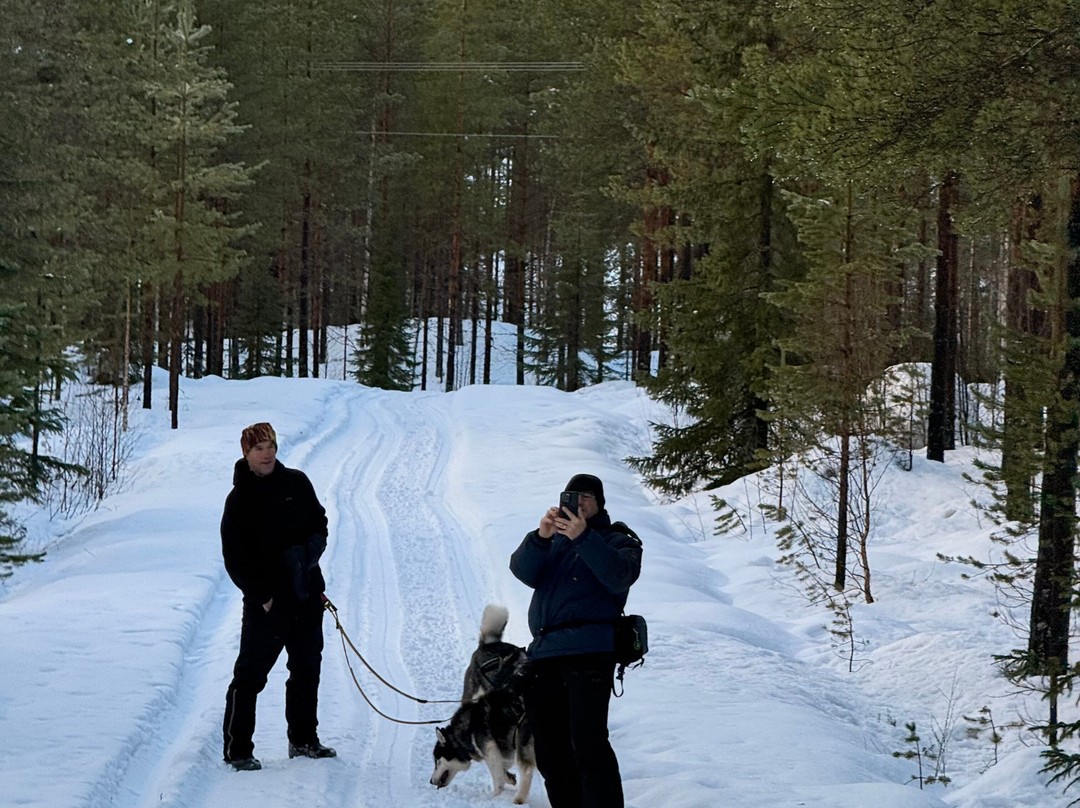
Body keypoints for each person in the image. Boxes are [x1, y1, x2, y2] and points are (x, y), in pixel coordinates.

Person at [509, 473, 642, 808]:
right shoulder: (554, 540)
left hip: (590, 653)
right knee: (550, 750)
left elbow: (619, 576)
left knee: (588, 744)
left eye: (585, 496)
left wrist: (583, 538)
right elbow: (523, 571)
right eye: (571, 495)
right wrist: (541, 536)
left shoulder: (616, 540)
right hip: (546, 654)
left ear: (599, 503)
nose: (577, 502)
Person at [220, 422, 336, 771]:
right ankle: (237, 750)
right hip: (267, 604)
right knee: (250, 677)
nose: (267, 453)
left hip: (306, 594)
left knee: (306, 669)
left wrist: (309, 555)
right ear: (246, 454)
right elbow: (234, 558)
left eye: (270, 445)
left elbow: (320, 522)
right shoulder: (239, 500)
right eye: (258, 448)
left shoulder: (297, 483)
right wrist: (262, 596)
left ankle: (303, 740)